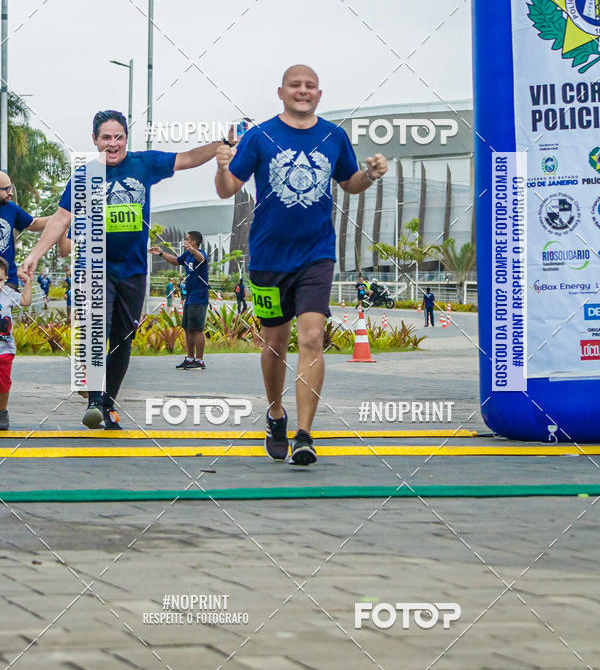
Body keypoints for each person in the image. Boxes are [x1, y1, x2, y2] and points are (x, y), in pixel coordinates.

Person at [215, 64, 387, 464]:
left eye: (310, 86)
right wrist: (222, 167)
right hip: (268, 257)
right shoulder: (260, 136)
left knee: (311, 338)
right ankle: (276, 414)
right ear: (281, 92)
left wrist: (369, 175)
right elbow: (227, 189)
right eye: (295, 85)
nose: (303, 91)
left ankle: (305, 435)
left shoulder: (333, 136)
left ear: (319, 94)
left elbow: (349, 182)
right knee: (274, 343)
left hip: (316, 254)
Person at [20, 109, 225, 430]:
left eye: (119, 137)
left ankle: (106, 404)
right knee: (96, 329)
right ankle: (94, 400)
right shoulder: (85, 176)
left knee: (123, 337)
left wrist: (219, 145)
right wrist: (34, 255)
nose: (112, 144)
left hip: (133, 270)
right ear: (94, 140)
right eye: (106, 138)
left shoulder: (144, 164)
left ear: (127, 139)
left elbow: (186, 159)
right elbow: (61, 218)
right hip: (96, 266)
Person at [150, 230, 209, 370]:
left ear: (194, 241)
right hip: (189, 296)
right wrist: (161, 253)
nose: (185, 241)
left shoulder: (200, 254)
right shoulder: (187, 254)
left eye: (187, 239)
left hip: (199, 297)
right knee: (188, 329)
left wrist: (193, 250)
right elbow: (176, 261)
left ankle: (200, 360)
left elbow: (201, 259)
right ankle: (190, 359)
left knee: (197, 329)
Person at [0, 171, 49, 289]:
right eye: (6, 189)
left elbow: (33, 224)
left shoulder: (11, 208)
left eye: (11, 188)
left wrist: (60, 218)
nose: (10, 193)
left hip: (7, 280)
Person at [0, 257, 33, 430]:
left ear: (6, 278)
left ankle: (2, 412)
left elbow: (26, 301)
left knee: (4, 383)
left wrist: (27, 282)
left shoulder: (8, 294)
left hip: (4, 349)